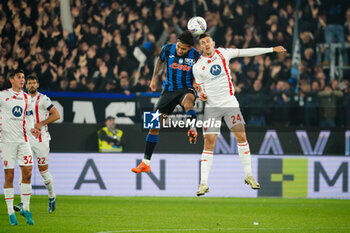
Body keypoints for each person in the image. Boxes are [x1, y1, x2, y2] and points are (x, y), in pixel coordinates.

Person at [193, 33, 286, 196]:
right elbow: (199, 87)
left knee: (241, 137)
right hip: (212, 108)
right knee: (209, 143)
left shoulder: (223, 53)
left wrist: (271, 49)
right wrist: (201, 94)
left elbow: (247, 51)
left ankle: (249, 175)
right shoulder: (197, 66)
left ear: (213, 43)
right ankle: (203, 183)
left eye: (208, 41)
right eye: (203, 42)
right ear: (200, 47)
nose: (206, 44)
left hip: (230, 104)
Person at [131, 31, 201, 173]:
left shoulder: (196, 56)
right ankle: (145, 162)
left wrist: (197, 83)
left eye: (184, 49)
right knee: (154, 125)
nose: (180, 51)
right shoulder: (167, 49)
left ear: (190, 48)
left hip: (186, 88)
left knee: (189, 102)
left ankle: (192, 128)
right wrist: (154, 78)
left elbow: (201, 72)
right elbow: (159, 61)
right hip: (168, 91)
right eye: (179, 47)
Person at [13, 74, 61, 214]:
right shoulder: (20, 98)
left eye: (34, 83)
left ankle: (52, 196)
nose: (32, 85)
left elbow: (57, 115)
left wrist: (41, 124)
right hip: (26, 141)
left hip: (41, 140)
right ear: (26, 85)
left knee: (44, 172)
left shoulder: (43, 99)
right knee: (25, 171)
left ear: (37, 85)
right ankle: (23, 203)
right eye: (29, 83)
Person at [0, 69, 40, 225]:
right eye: (19, 77)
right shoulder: (3, 96)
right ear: (12, 80)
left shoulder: (26, 97)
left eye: (23, 78)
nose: (22, 80)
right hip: (7, 142)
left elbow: (28, 117)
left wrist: (32, 128)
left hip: (23, 140)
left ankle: (26, 208)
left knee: (28, 173)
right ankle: (11, 212)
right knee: (9, 175)